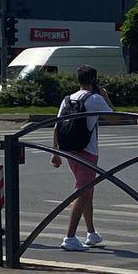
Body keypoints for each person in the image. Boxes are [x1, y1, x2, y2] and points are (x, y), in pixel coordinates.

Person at [51, 65, 112, 251]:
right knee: (82, 191)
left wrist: (55, 152)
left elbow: (57, 126)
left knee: (87, 191)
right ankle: (69, 237)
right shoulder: (95, 99)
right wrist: (105, 96)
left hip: (70, 149)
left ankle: (91, 233)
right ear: (94, 80)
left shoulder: (67, 99)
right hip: (88, 149)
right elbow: (114, 117)